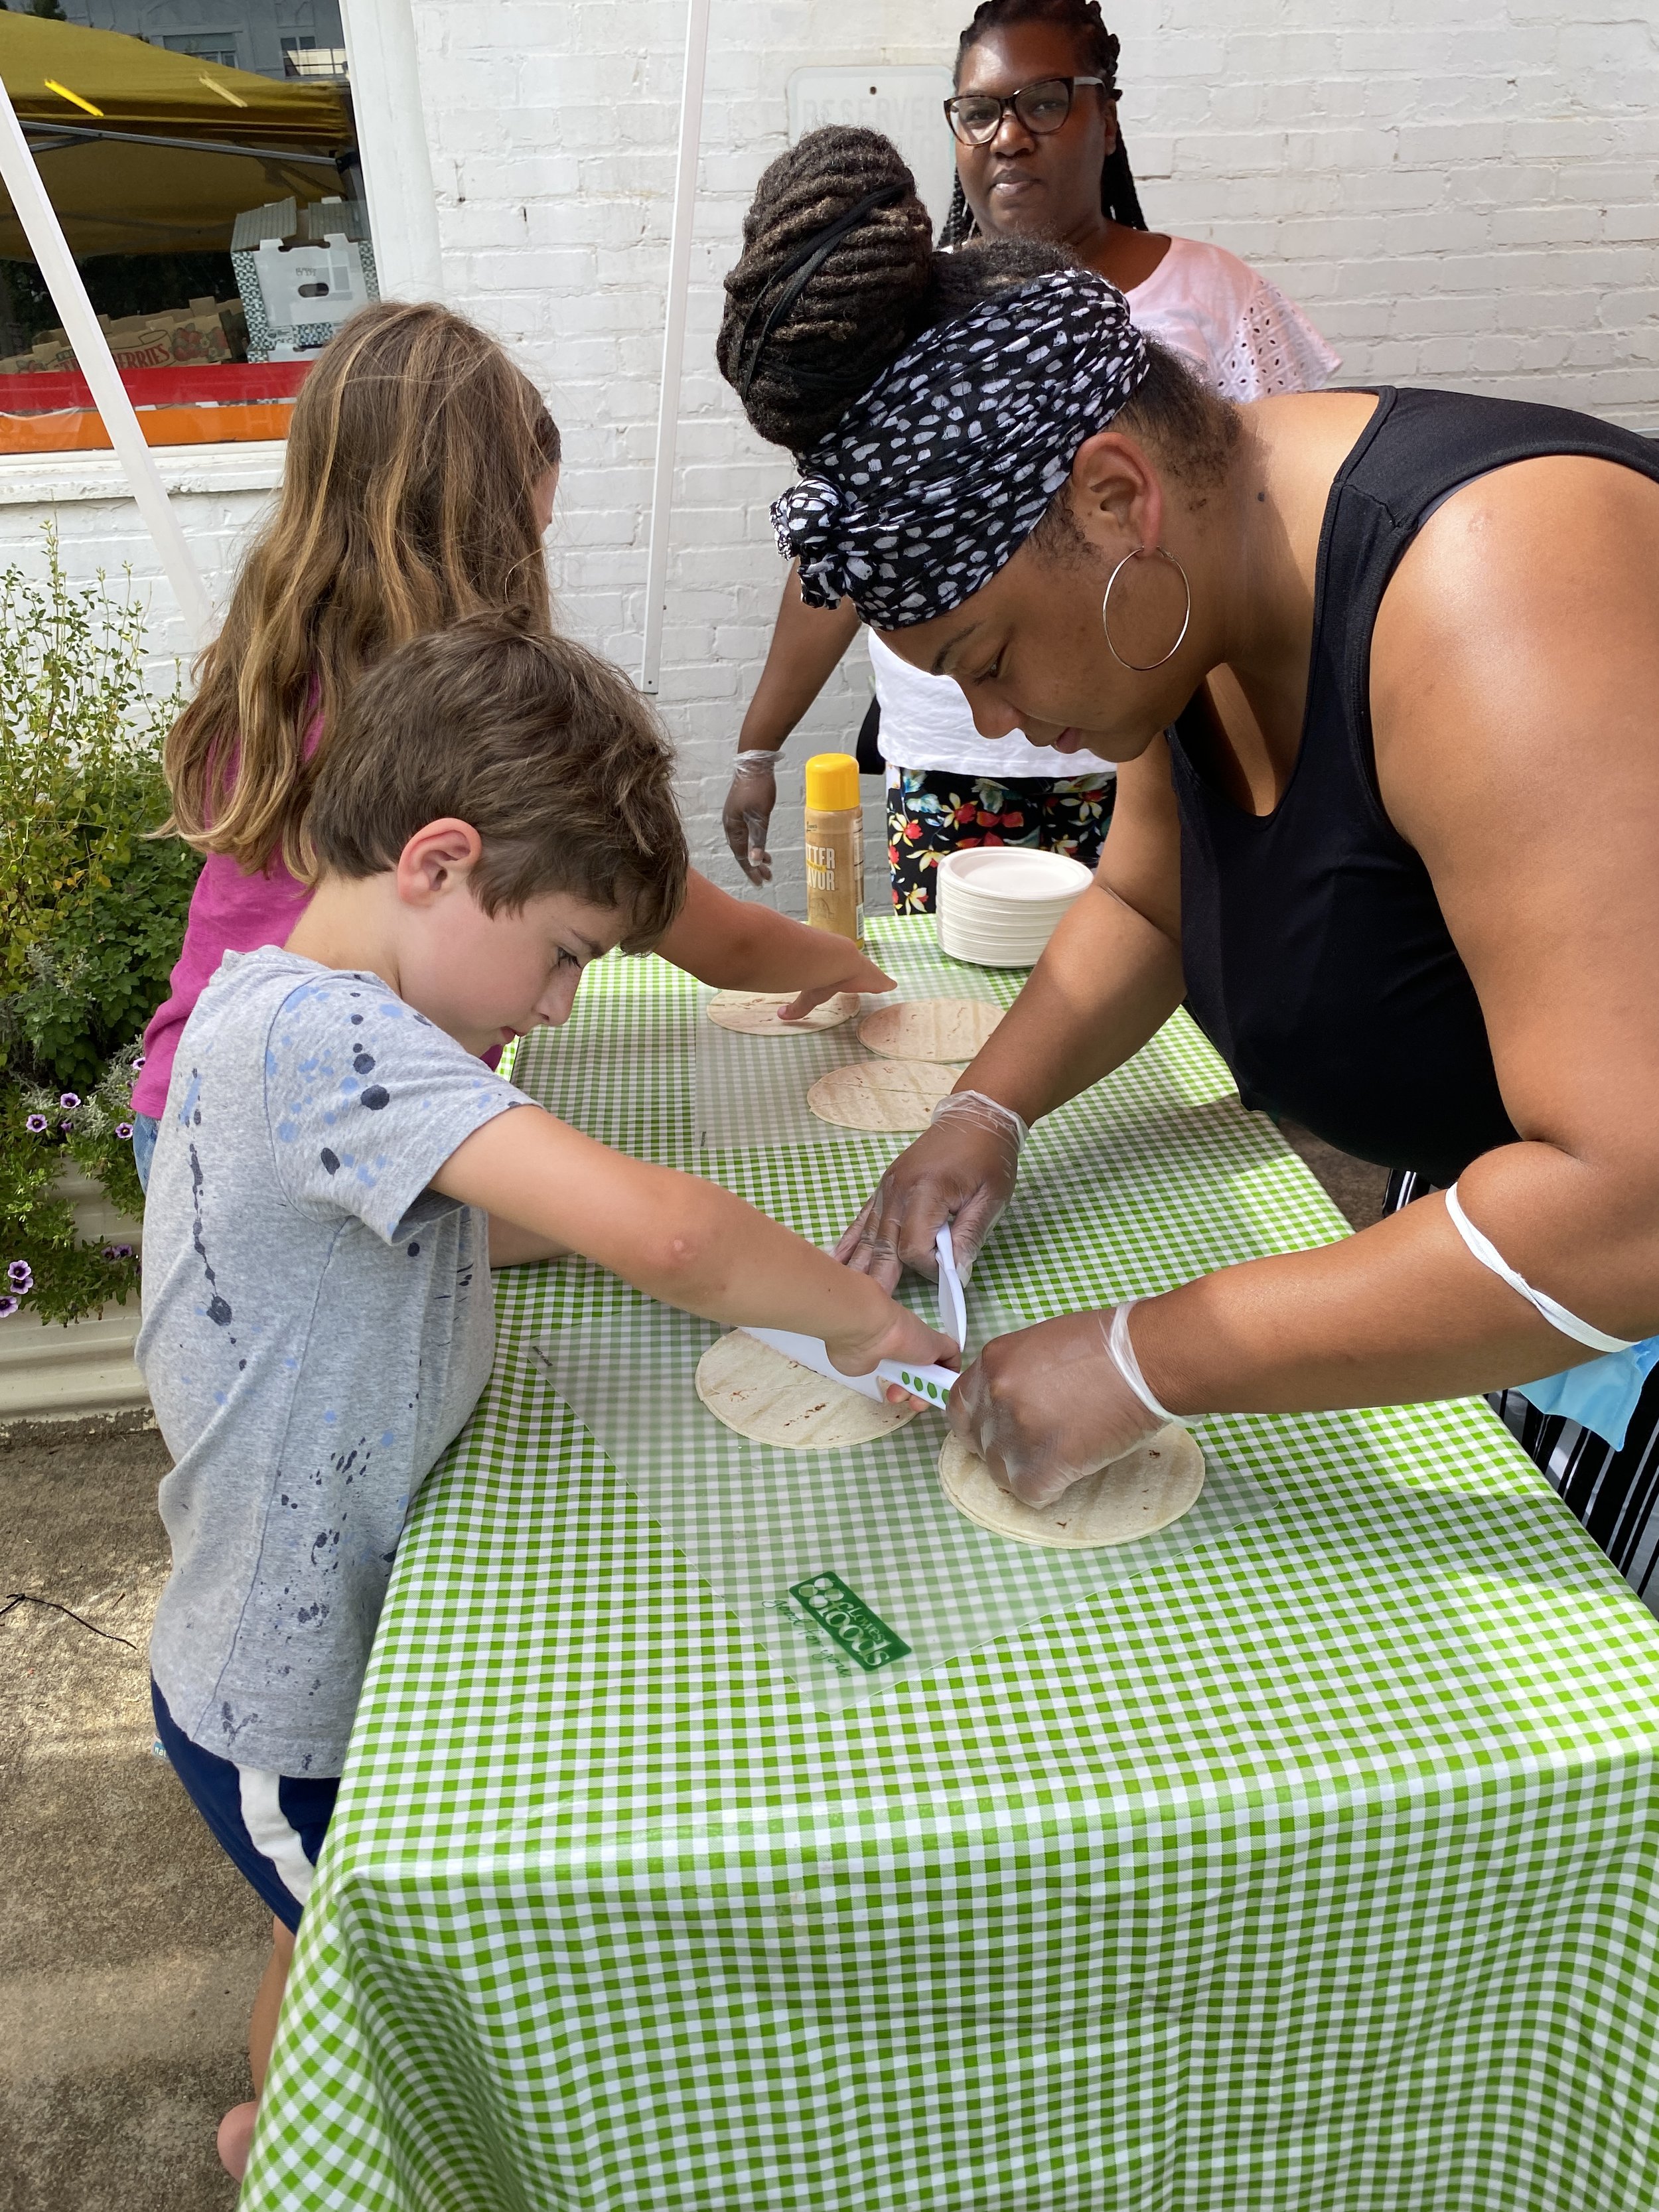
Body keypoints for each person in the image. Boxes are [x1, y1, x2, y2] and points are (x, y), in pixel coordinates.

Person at [717, 134, 1659, 1609]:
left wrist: (1142, 1356)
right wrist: (983, 1105)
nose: (997, 723)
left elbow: (1627, 1202)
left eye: (986, 659)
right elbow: (1151, 902)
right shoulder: (1187, 601)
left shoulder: (1488, 587)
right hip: (1507, 1249)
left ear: (1111, 498)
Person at [140, 616, 957, 2179]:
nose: (565, 1004)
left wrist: (658, 1224)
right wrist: (854, 1316)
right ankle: (291, 2153)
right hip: (285, 1683)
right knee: (343, 1966)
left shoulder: (293, 1008)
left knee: (306, 1922)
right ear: (439, 862)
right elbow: (664, 1232)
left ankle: (275, 2119)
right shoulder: (330, 1037)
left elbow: (508, 1217)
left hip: (349, 1619)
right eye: (569, 952)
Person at [131, 300, 893, 1191]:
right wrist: (838, 959)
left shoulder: (270, 669)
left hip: (186, 1108)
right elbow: (705, 933)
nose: (540, 554)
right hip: (320, 1143)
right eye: (533, 530)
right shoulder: (457, 737)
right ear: (482, 533)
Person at [721, 0, 1336, 912]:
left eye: (1044, 102)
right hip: (949, 769)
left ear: (1108, 117)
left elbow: (1286, 512)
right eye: (979, 111)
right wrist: (758, 745)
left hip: (1157, 731)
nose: (1008, 136)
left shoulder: (1212, 295)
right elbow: (848, 554)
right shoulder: (912, 323)